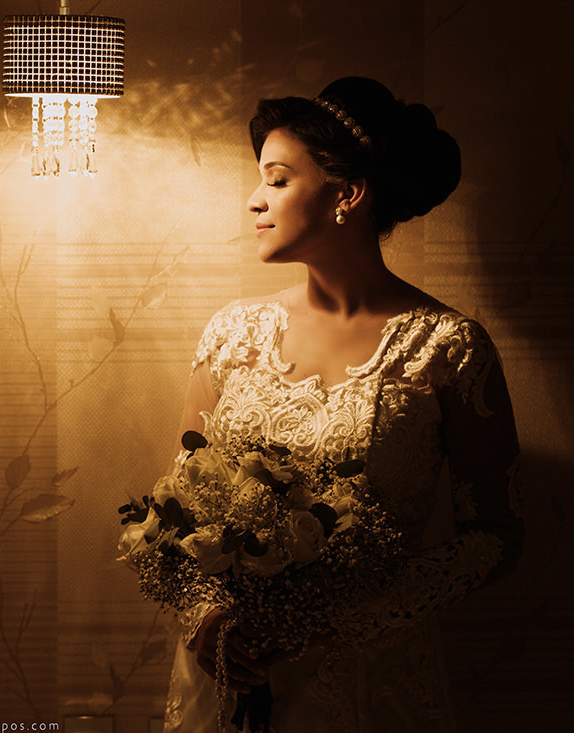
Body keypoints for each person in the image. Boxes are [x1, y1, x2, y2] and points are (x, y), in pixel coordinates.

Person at [161, 77, 524, 732]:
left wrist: (336, 616)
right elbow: (177, 507)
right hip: (227, 673)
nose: (254, 200)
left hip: (371, 684)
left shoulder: (448, 346)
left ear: (347, 194)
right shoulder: (232, 334)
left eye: (276, 179)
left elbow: (495, 535)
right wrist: (205, 617)